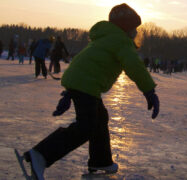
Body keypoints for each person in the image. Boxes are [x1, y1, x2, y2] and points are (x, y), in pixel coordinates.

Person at [23, 3, 159, 180]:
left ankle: (100, 161)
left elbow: (86, 61)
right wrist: (149, 90)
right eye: (134, 27)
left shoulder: (105, 37)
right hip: (86, 84)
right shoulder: (121, 41)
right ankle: (40, 155)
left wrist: (71, 91)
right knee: (86, 126)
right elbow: (134, 66)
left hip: (83, 82)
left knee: (100, 119)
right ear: (126, 28)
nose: (135, 32)